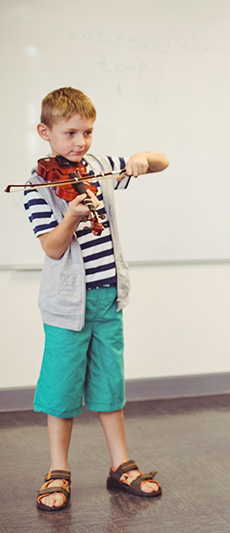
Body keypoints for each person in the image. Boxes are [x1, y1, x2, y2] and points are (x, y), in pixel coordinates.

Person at [24, 87, 169, 512]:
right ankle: (58, 470)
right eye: (69, 134)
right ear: (45, 132)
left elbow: (161, 161)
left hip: (108, 298)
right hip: (67, 304)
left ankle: (120, 464)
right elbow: (52, 247)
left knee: (110, 384)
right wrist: (70, 216)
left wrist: (143, 160)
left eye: (87, 133)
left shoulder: (99, 166)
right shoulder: (38, 185)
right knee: (62, 390)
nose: (80, 143)